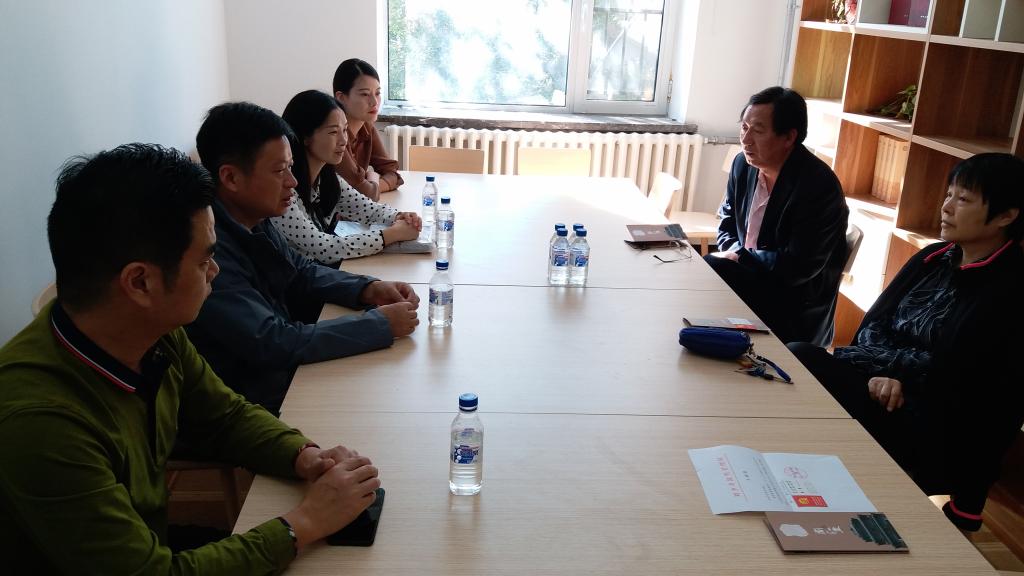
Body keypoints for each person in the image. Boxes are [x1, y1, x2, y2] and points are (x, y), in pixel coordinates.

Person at [0, 144, 381, 573]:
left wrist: (304, 456)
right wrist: (305, 523)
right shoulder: (43, 422)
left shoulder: (152, 332)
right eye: (205, 259)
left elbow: (224, 417)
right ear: (140, 283)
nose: (215, 271)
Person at [789, 153, 1024, 531]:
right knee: (799, 360)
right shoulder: (934, 258)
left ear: (1006, 216)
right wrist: (882, 373)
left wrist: (968, 506)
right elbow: (874, 324)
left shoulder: (1010, 290)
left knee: (806, 369)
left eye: (964, 199)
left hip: (930, 420)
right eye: (949, 194)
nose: (946, 206)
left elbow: (984, 392)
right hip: (880, 385)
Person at [188, 102, 420, 413]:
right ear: (230, 178)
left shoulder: (253, 218)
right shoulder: (209, 253)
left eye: (290, 167)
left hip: (286, 377)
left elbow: (301, 272)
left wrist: (368, 288)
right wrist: (378, 325)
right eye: (279, 171)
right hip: (257, 402)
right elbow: (273, 341)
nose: (292, 181)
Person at [704, 86, 848, 347]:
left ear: (789, 137)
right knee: (699, 274)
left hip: (791, 304)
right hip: (746, 278)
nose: (746, 140)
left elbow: (799, 266)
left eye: (758, 131)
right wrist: (735, 254)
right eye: (744, 127)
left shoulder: (818, 186)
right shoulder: (743, 165)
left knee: (712, 269)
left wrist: (740, 258)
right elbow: (727, 223)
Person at [272, 89, 421, 266]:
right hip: (298, 279)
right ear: (305, 136)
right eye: (333, 132)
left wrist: (400, 217)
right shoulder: (283, 192)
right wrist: (391, 234)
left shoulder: (328, 179)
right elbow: (325, 248)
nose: (344, 141)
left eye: (345, 130)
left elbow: (368, 209)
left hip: (319, 272)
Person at [333, 58, 404, 200]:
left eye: (377, 93)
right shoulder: (334, 135)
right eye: (365, 94)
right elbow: (364, 193)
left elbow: (393, 173)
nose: (374, 102)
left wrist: (373, 183)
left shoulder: (366, 127)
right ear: (341, 97)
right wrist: (373, 178)